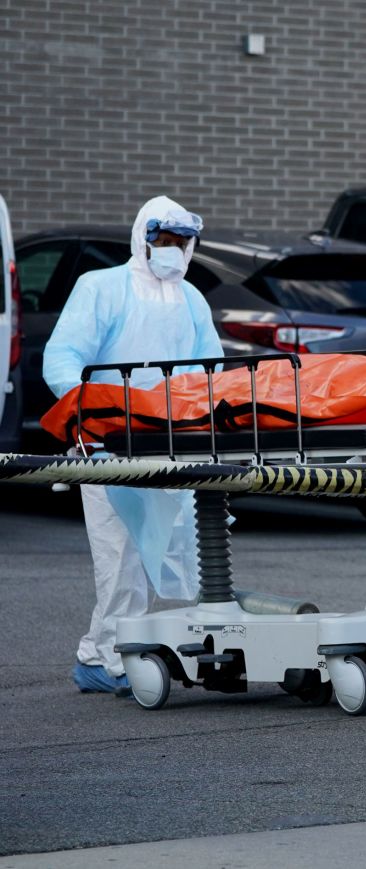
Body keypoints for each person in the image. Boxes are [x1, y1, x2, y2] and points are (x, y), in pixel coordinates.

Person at [44, 196, 221, 695]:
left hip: (172, 444)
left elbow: (211, 370)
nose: (171, 251)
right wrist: (93, 411)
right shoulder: (101, 288)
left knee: (170, 553)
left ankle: (107, 649)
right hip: (107, 446)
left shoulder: (192, 299)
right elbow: (62, 358)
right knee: (120, 556)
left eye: (180, 243)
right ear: (142, 240)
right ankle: (107, 657)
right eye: (162, 241)